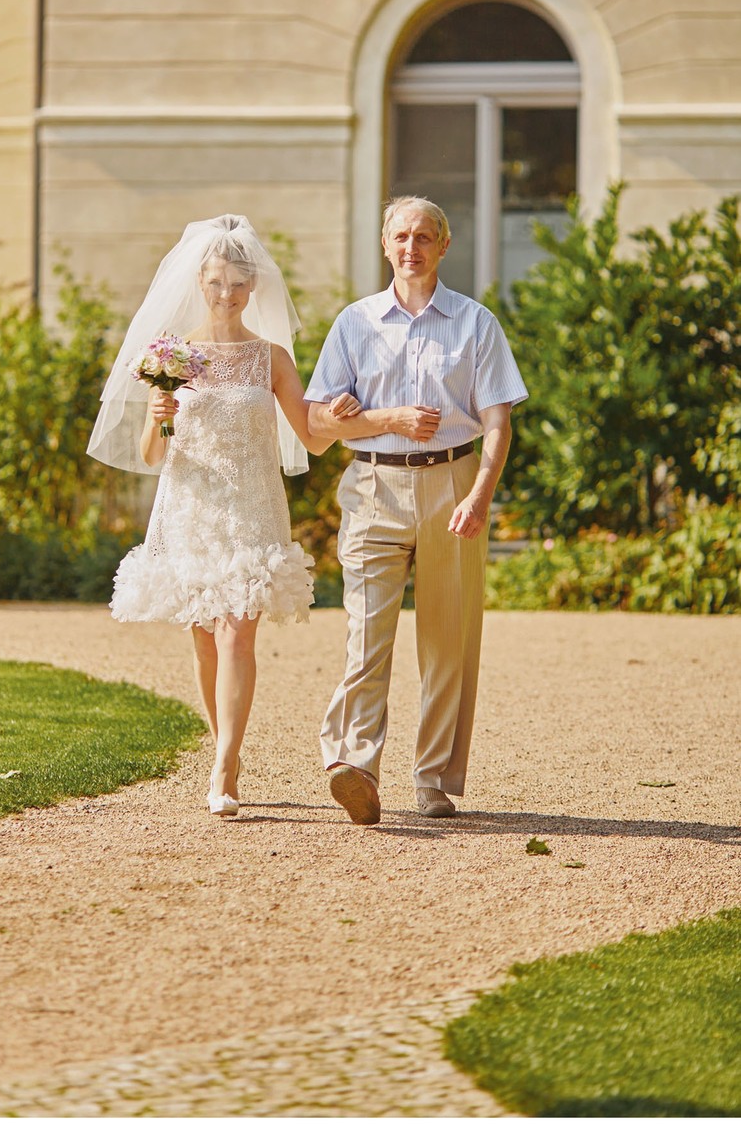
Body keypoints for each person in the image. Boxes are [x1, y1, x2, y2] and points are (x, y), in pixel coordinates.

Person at [87, 215, 360, 818]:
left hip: (254, 508)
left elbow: (311, 440)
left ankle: (225, 764)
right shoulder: (173, 355)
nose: (227, 294)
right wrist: (159, 411)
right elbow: (152, 455)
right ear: (199, 282)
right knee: (207, 642)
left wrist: (339, 416)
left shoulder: (272, 358)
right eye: (216, 282)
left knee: (239, 632)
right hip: (192, 508)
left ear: (254, 286)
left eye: (238, 283)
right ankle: (223, 750)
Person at [305, 195, 528, 824]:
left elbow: (498, 420)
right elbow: (319, 424)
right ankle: (353, 764)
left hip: (454, 487)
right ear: (385, 244)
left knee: (446, 643)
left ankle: (432, 780)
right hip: (374, 487)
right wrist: (369, 417)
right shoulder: (354, 324)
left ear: (443, 246)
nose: (411, 248)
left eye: (424, 237)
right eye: (401, 236)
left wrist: (481, 494)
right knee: (365, 634)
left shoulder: (476, 323)